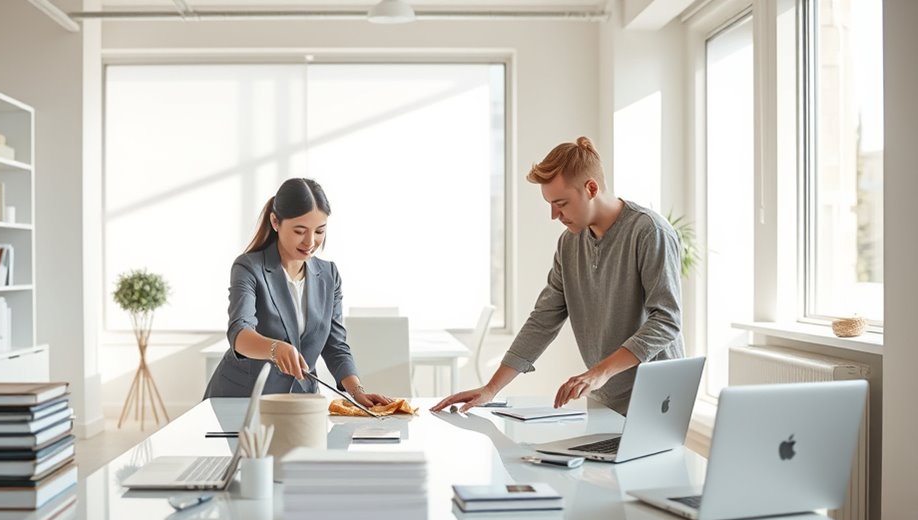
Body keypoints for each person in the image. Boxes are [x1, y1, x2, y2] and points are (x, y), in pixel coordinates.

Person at [432, 136, 683, 415]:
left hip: (658, 397)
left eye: (561, 203)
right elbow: (543, 319)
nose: (554, 215)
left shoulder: (649, 232)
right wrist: (491, 389)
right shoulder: (569, 243)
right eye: (550, 204)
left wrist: (598, 373)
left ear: (591, 188)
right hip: (606, 397)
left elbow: (667, 320)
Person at [204, 177, 392, 408]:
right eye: (300, 231)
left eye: (319, 231)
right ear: (275, 222)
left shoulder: (329, 275)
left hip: (301, 402)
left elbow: (335, 345)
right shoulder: (249, 267)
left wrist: (357, 391)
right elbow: (239, 333)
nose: (310, 242)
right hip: (243, 399)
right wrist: (275, 349)